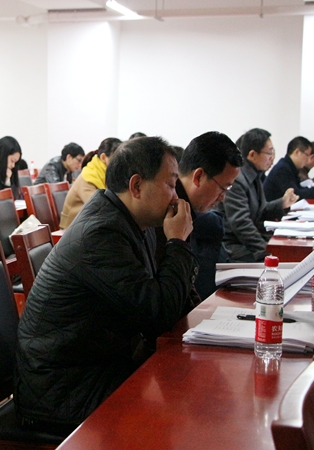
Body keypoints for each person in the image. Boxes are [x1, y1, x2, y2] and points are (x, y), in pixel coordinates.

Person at [15, 137, 198, 433]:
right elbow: (159, 314)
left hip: (100, 367)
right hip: (65, 390)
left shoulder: (134, 221)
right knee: (182, 414)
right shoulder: (102, 234)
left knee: (191, 388)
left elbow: (167, 303)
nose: (176, 197)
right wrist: (178, 242)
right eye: (170, 184)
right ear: (136, 186)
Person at [156, 131, 243, 300]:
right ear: (199, 176)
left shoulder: (186, 209)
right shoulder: (168, 213)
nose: (223, 197)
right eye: (223, 188)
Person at [219, 128, 298, 262]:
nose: (272, 157)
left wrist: (282, 203)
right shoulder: (237, 179)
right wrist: (266, 251)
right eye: (269, 153)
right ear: (252, 155)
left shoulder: (255, 175)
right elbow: (241, 223)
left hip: (248, 242)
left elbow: (260, 211)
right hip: (235, 247)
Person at [59, 137, 121, 229]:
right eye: (116, 159)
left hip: (89, 225)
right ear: (103, 157)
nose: (120, 163)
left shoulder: (105, 174)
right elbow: (98, 208)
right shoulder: (89, 177)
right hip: (72, 229)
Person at [263, 136, 314, 201]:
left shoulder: (290, 167)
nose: (308, 159)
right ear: (297, 152)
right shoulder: (282, 168)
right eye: (307, 155)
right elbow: (296, 195)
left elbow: (300, 190)